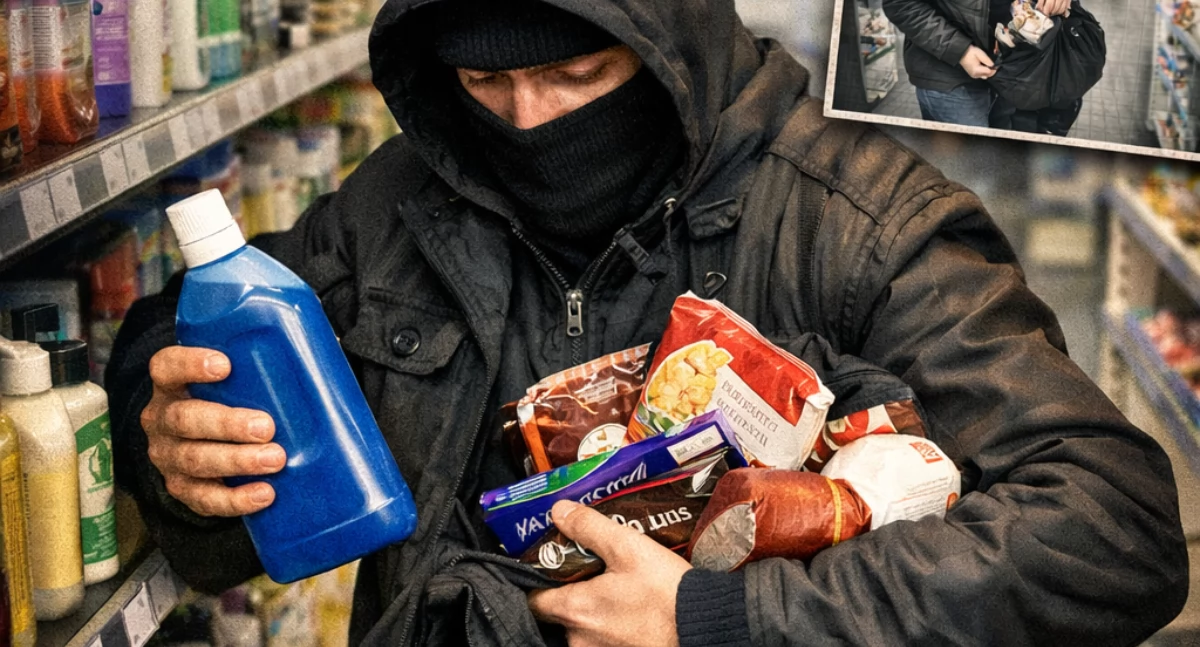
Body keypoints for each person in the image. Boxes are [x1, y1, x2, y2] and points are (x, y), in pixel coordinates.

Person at [107, 0, 1188, 645]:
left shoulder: (859, 221)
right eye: (486, 78)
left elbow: (1110, 530)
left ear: (671, 45)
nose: (527, 122)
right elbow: (191, 335)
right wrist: (173, 423)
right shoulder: (399, 203)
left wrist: (729, 621)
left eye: (578, 73)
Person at [883, 0, 1073, 129]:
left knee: (999, 159)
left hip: (1011, 68)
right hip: (948, 74)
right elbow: (900, 4)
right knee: (969, 170)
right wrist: (960, 51)